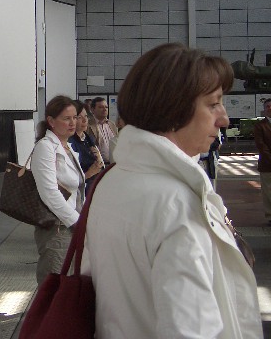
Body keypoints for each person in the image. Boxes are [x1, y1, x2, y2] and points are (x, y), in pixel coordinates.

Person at [83, 43, 262, 338]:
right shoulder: (177, 205)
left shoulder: (113, 181)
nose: (224, 119)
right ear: (174, 109)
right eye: (213, 104)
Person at [31, 95, 85, 284]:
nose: (73, 123)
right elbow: (49, 193)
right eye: (66, 118)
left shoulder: (67, 146)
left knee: (67, 283)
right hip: (57, 228)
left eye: (75, 117)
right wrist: (76, 222)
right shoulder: (45, 147)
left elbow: (78, 189)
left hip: (70, 224)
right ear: (51, 121)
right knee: (53, 284)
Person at [68, 100, 104, 194]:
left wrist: (99, 159)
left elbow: (99, 163)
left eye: (86, 116)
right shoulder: (69, 141)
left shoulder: (87, 137)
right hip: (80, 191)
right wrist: (90, 173)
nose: (84, 120)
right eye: (79, 117)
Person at [87, 97, 118, 164]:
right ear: (92, 110)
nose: (104, 109)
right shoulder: (88, 125)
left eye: (106, 107)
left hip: (114, 163)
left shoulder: (112, 124)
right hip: (98, 164)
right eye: (101, 107)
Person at [254, 98, 271, 223]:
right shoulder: (260, 126)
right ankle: (270, 216)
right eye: (267, 106)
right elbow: (261, 145)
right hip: (267, 164)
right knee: (268, 191)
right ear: (264, 110)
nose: (269, 108)